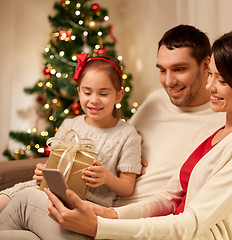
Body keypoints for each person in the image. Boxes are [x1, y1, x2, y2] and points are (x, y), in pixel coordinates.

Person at [0, 25, 232, 239]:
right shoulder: (213, 131)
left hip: (161, 234)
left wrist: (100, 226)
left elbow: (192, 223)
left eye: (219, 79)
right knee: (21, 216)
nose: (210, 86)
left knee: (26, 204)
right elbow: (169, 198)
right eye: (211, 75)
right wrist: (107, 213)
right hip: (131, 220)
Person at [0, 53, 142, 211]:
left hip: (88, 204)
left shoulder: (128, 135)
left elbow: (127, 187)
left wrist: (107, 178)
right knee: (10, 197)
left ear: (118, 95)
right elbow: (53, 165)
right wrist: (43, 173)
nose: (94, 100)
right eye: (87, 93)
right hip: (53, 191)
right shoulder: (69, 125)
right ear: (79, 91)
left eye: (103, 93)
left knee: (28, 202)